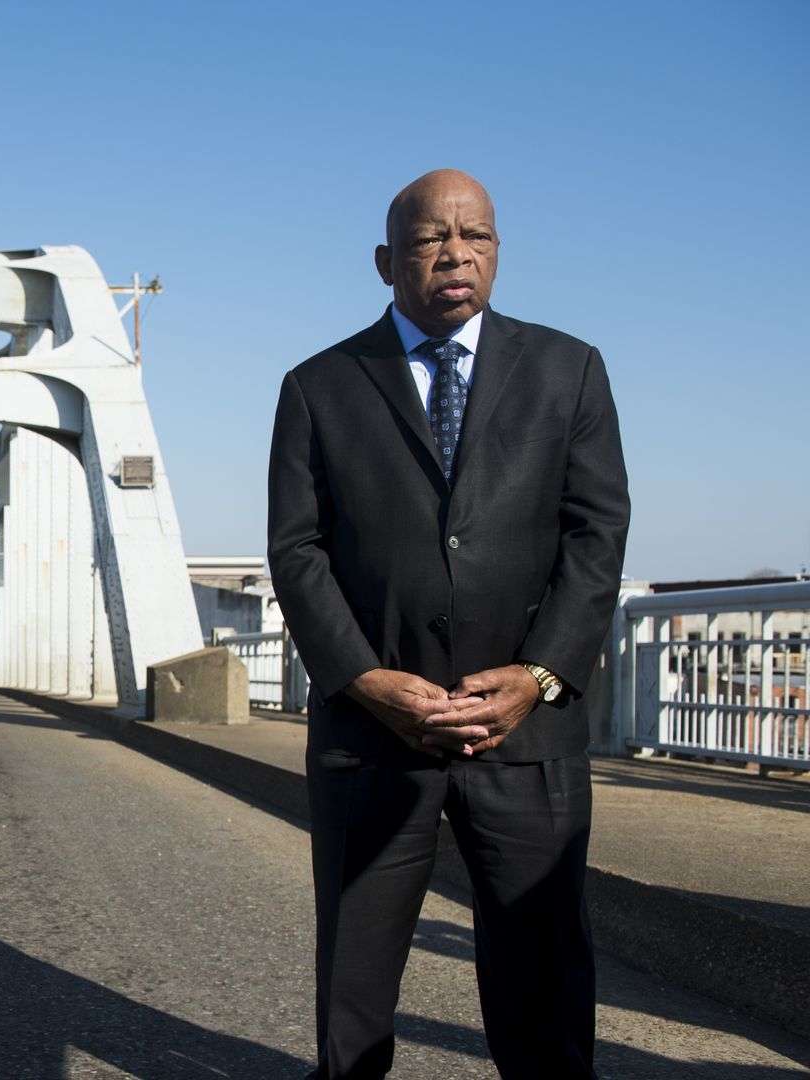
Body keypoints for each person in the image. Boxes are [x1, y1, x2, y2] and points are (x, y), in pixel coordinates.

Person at [267, 169, 630, 1078]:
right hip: (372, 733)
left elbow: (596, 536)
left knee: (545, 986)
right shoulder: (319, 385)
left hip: (527, 733)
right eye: (432, 239)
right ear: (387, 260)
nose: (456, 255)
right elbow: (298, 550)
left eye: (478, 237)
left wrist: (539, 676)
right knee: (353, 992)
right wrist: (362, 679)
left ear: (498, 251)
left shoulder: (570, 368)